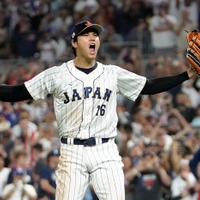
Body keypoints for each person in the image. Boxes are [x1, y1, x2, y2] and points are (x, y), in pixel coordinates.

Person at [0, 20, 197, 200]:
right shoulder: (57, 75)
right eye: (86, 35)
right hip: (72, 152)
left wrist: (187, 74)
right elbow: (17, 92)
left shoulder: (111, 73)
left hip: (105, 150)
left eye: (95, 35)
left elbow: (150, 86)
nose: (93, 38)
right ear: (74, 43)